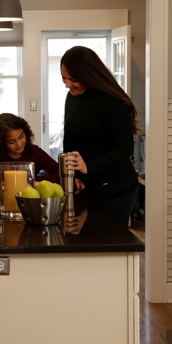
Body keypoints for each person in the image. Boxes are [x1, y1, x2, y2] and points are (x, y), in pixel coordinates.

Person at [60, 46, 140, 227]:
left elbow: (125, 147)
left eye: (72, 79)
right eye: (64, 78)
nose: (67, 84)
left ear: (88, 74)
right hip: (87, 187)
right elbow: (69, 138)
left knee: (111, 247)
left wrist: (89, 167)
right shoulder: (72, 98)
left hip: (116, 190)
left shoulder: (109, 101)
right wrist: (73, 175)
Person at [0, 113, 59, 188]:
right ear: (1, 142)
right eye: (11, 142)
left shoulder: (35, 152)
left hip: (28, 200)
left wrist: (28, 179)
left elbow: (59, 173)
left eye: (21, 137)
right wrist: (1, 182)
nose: (19, 144)